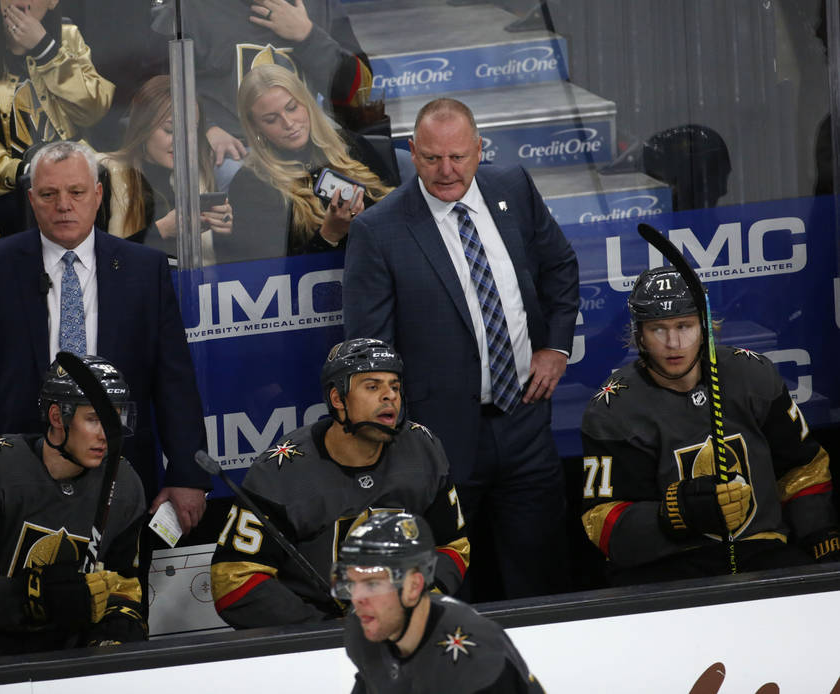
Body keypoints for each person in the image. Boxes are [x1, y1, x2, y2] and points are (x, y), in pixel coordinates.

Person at [343, 98, 579, 602]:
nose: (446, 171)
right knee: (451, 590)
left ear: (478, 150)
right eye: (431, 159)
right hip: (439, 443)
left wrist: (556, 347)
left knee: (541, 579)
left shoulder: (512, 187)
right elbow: (372, 348)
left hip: (526, 422)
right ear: (413, 152)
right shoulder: (378, 229)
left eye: (457, 156)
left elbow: (560, 267)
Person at [0, 140, 209, 546]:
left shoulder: (144, 269)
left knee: (119, 601)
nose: (64, 205)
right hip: (16, 477)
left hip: (121, 475)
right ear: (32, 199)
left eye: (76, 192)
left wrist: (187, 475)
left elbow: (174, 381)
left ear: (98, 195)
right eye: (49, 194)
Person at [580, 266, 840, 585]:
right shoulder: (612, 408)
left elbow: (803, 470)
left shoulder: (753, 375)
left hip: (760, 551)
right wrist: (675, 514)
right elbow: (601, 522)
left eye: (684, 326)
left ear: (705, 326)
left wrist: (821, 538)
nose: (674, 342)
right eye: (658, 329)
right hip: (665, 565)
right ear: (639, 335)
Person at [210, 338, 470, 629]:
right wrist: (323, 630)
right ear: (338, 399)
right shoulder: (281, 472)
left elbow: (452, 547)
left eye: (395, 386)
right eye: (372, 386)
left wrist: (410, 606)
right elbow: (233, 579)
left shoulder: (423, 449)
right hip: (313, 641)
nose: (390, 397)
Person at [0, 354, 148, 657]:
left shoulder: (124, 483)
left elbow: (124, 586)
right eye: (94, 419)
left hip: (61, 654)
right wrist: (38, 598)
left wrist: (115, 632)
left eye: (114, 418)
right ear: (57, 417)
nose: (106, 435)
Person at [153, 0, 371, 180]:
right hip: (237, 150)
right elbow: (153, 88)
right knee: (239, 176)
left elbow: (358, 93)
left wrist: (308, 35)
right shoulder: (190, 9)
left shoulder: (316, 5)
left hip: (309, 142)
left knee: (388, 163)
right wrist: (204, 128)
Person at [334, 513, 544, 694]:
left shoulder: (472, 658)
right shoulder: (362, 631)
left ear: (413, 586)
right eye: (352, 583)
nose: (357, 599)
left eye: (372, 584)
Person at [0, 0, 113, 210]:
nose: (19, 2)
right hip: (6, 192)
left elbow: (93, 110)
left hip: (75, 175)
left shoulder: (69, 37)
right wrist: (23, 171)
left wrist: (46, 50)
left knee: (123, 182)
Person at [217, 64, 395, 264]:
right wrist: (329, 235)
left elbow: (400, 211)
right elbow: (272, 279)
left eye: (292, 108)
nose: (288, 123)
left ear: (307, 103)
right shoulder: (252, 185)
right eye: (271, 119)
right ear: (256, 127)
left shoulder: (350, 145)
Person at [101, 75, 232, 262]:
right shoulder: (107, 172)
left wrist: (224, 230)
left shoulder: (199, 176)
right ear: (142, 127)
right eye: (170, 131)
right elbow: (101, 260)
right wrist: (161, 231)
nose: (183, 143)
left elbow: (218, 266)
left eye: (192, 132)